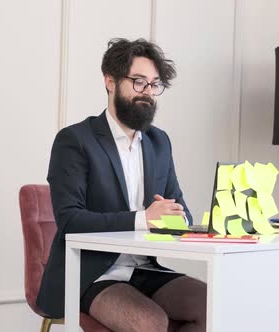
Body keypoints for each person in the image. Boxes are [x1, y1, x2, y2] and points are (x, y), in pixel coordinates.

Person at [36, 38, 207, 332]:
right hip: (90, 273)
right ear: (110, 81)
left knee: (211, 304)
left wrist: (178, 219)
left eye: (154, 85)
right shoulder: (75, 140)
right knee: (150, 322)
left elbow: (180, 210)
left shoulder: (158, 142)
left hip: (144, 269)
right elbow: (69, 220)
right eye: (139, 82)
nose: (148, 93)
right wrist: (144, 219)